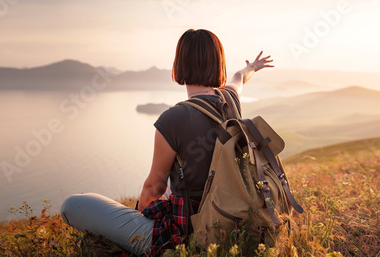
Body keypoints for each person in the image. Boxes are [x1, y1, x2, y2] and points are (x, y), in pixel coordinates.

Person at [60, 29, 274, 256]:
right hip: (233, 221)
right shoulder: (230, 100)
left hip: (188, 237)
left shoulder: (173, 119)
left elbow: (153, 188)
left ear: (179, 64)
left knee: (73, 205)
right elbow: (239, 78)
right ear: (219, 63)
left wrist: (138, 219)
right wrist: (253, 67)